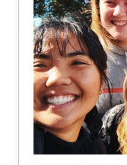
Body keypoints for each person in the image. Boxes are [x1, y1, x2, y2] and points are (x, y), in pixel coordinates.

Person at [33, 17, 108, 154]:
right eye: (40, 65)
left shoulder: (96, 150)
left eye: (77, 63)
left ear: (102, 81)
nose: (57, 79)